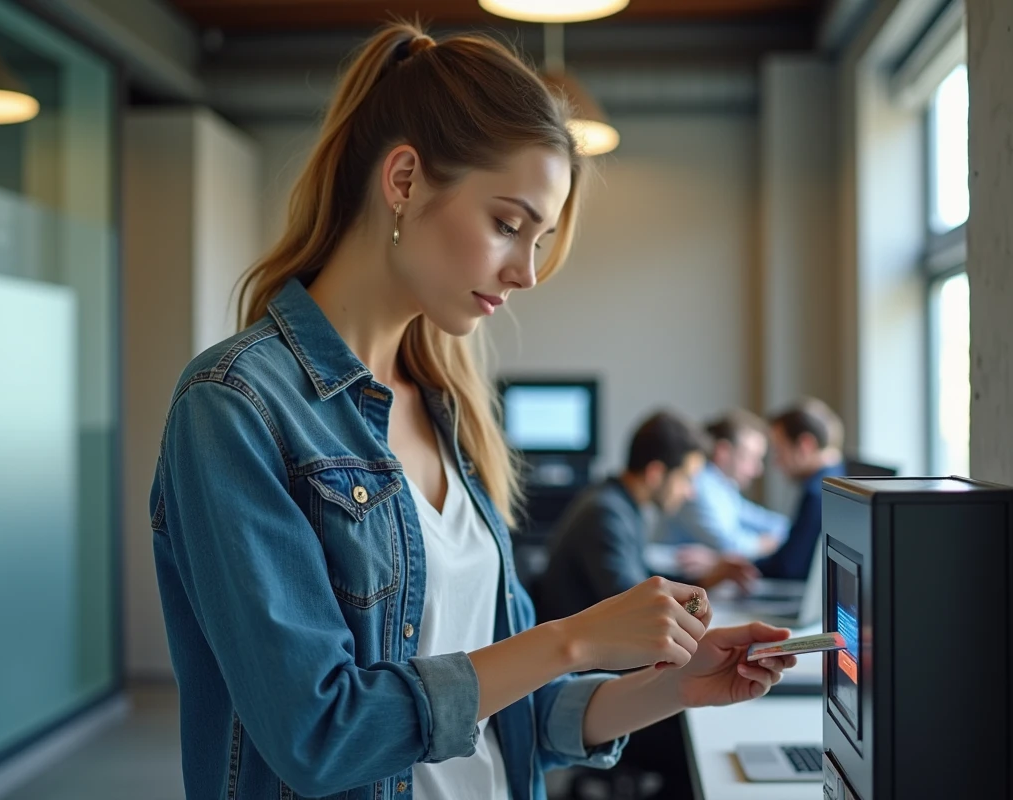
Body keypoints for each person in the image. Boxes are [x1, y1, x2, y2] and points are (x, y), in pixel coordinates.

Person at [149, 23, 795, 800]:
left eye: (539, 240)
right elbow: (319, 734)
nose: (527, 273)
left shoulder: (449, 414)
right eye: (508, 225)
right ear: (404, 180)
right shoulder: (235, 405)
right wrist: (573, 639)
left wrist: (674, 685)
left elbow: (508, 711)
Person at [538, 411, 759, 624]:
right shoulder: (606, 515)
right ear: (656, 473)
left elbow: (642, 581)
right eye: (687, 478)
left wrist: (705, 580)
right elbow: (639, 608)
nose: (690, 492)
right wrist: (696, 602)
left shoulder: (620, 505)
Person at [656, 409, 790, 559]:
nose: (758, 470)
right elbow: (728, 546)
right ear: (723, 451)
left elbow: (766, 521)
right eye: (750, 458)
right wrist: (768, 544)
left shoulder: (724, 487)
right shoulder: (697, 485)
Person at [755, 398, 847, 580]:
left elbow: (789, 567)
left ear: (805, 445)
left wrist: (739, 566)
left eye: (779, 450)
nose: (776, 462)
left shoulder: (817, 494)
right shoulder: (836, 479)